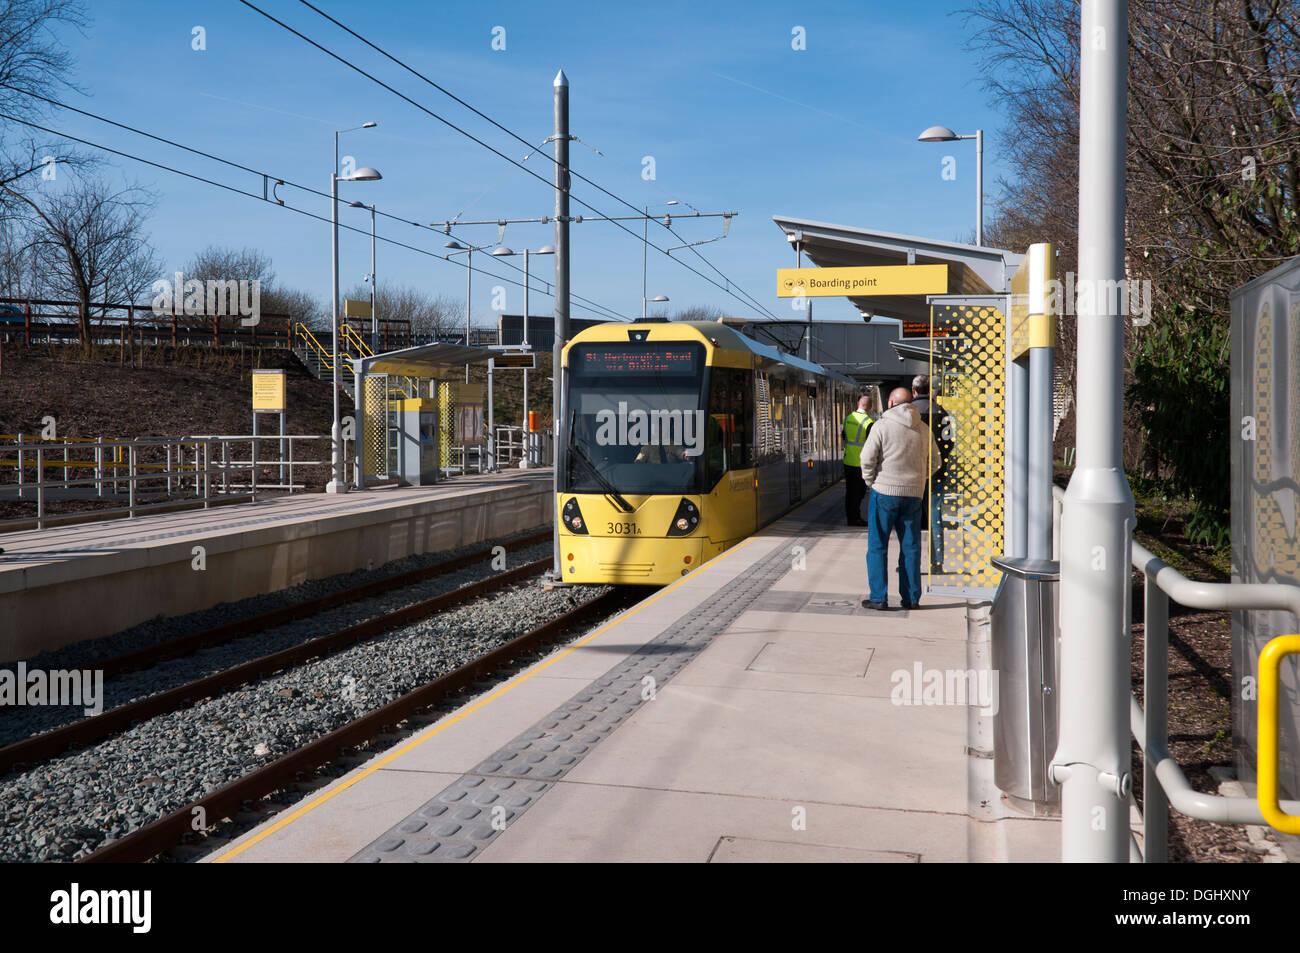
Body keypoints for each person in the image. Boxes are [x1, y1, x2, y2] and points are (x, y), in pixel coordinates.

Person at [859, 387, 941, 611]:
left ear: (892, 402)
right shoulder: (924, 429)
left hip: (884, 493)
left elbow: (866, 459)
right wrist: (919, 479)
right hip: (913, 495)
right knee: (911, 547)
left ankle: (878, 597)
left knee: (877, 546)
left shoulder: (882, 426)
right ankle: (912, 598)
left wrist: (870, 481)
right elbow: (936, 462)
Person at [910, 374, 954, 570]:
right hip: (937, 472)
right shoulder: (942, 412)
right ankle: (936, 562)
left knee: (910, 517)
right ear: (931, 391)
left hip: (912, 474)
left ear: (914, 390)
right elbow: (949, 442)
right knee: (935, 516)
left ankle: (910, 562)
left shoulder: (909, 412)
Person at [841, 394, 874, 526]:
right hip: (860, 463)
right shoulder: (868, 422)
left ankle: (850, 517)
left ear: (858, 404)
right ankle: (855, 518)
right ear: (870, 407)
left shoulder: (848, 418)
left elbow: (844, 436)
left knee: (849, 492)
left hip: (847, 460)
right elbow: (872, 444)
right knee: (859, 493)